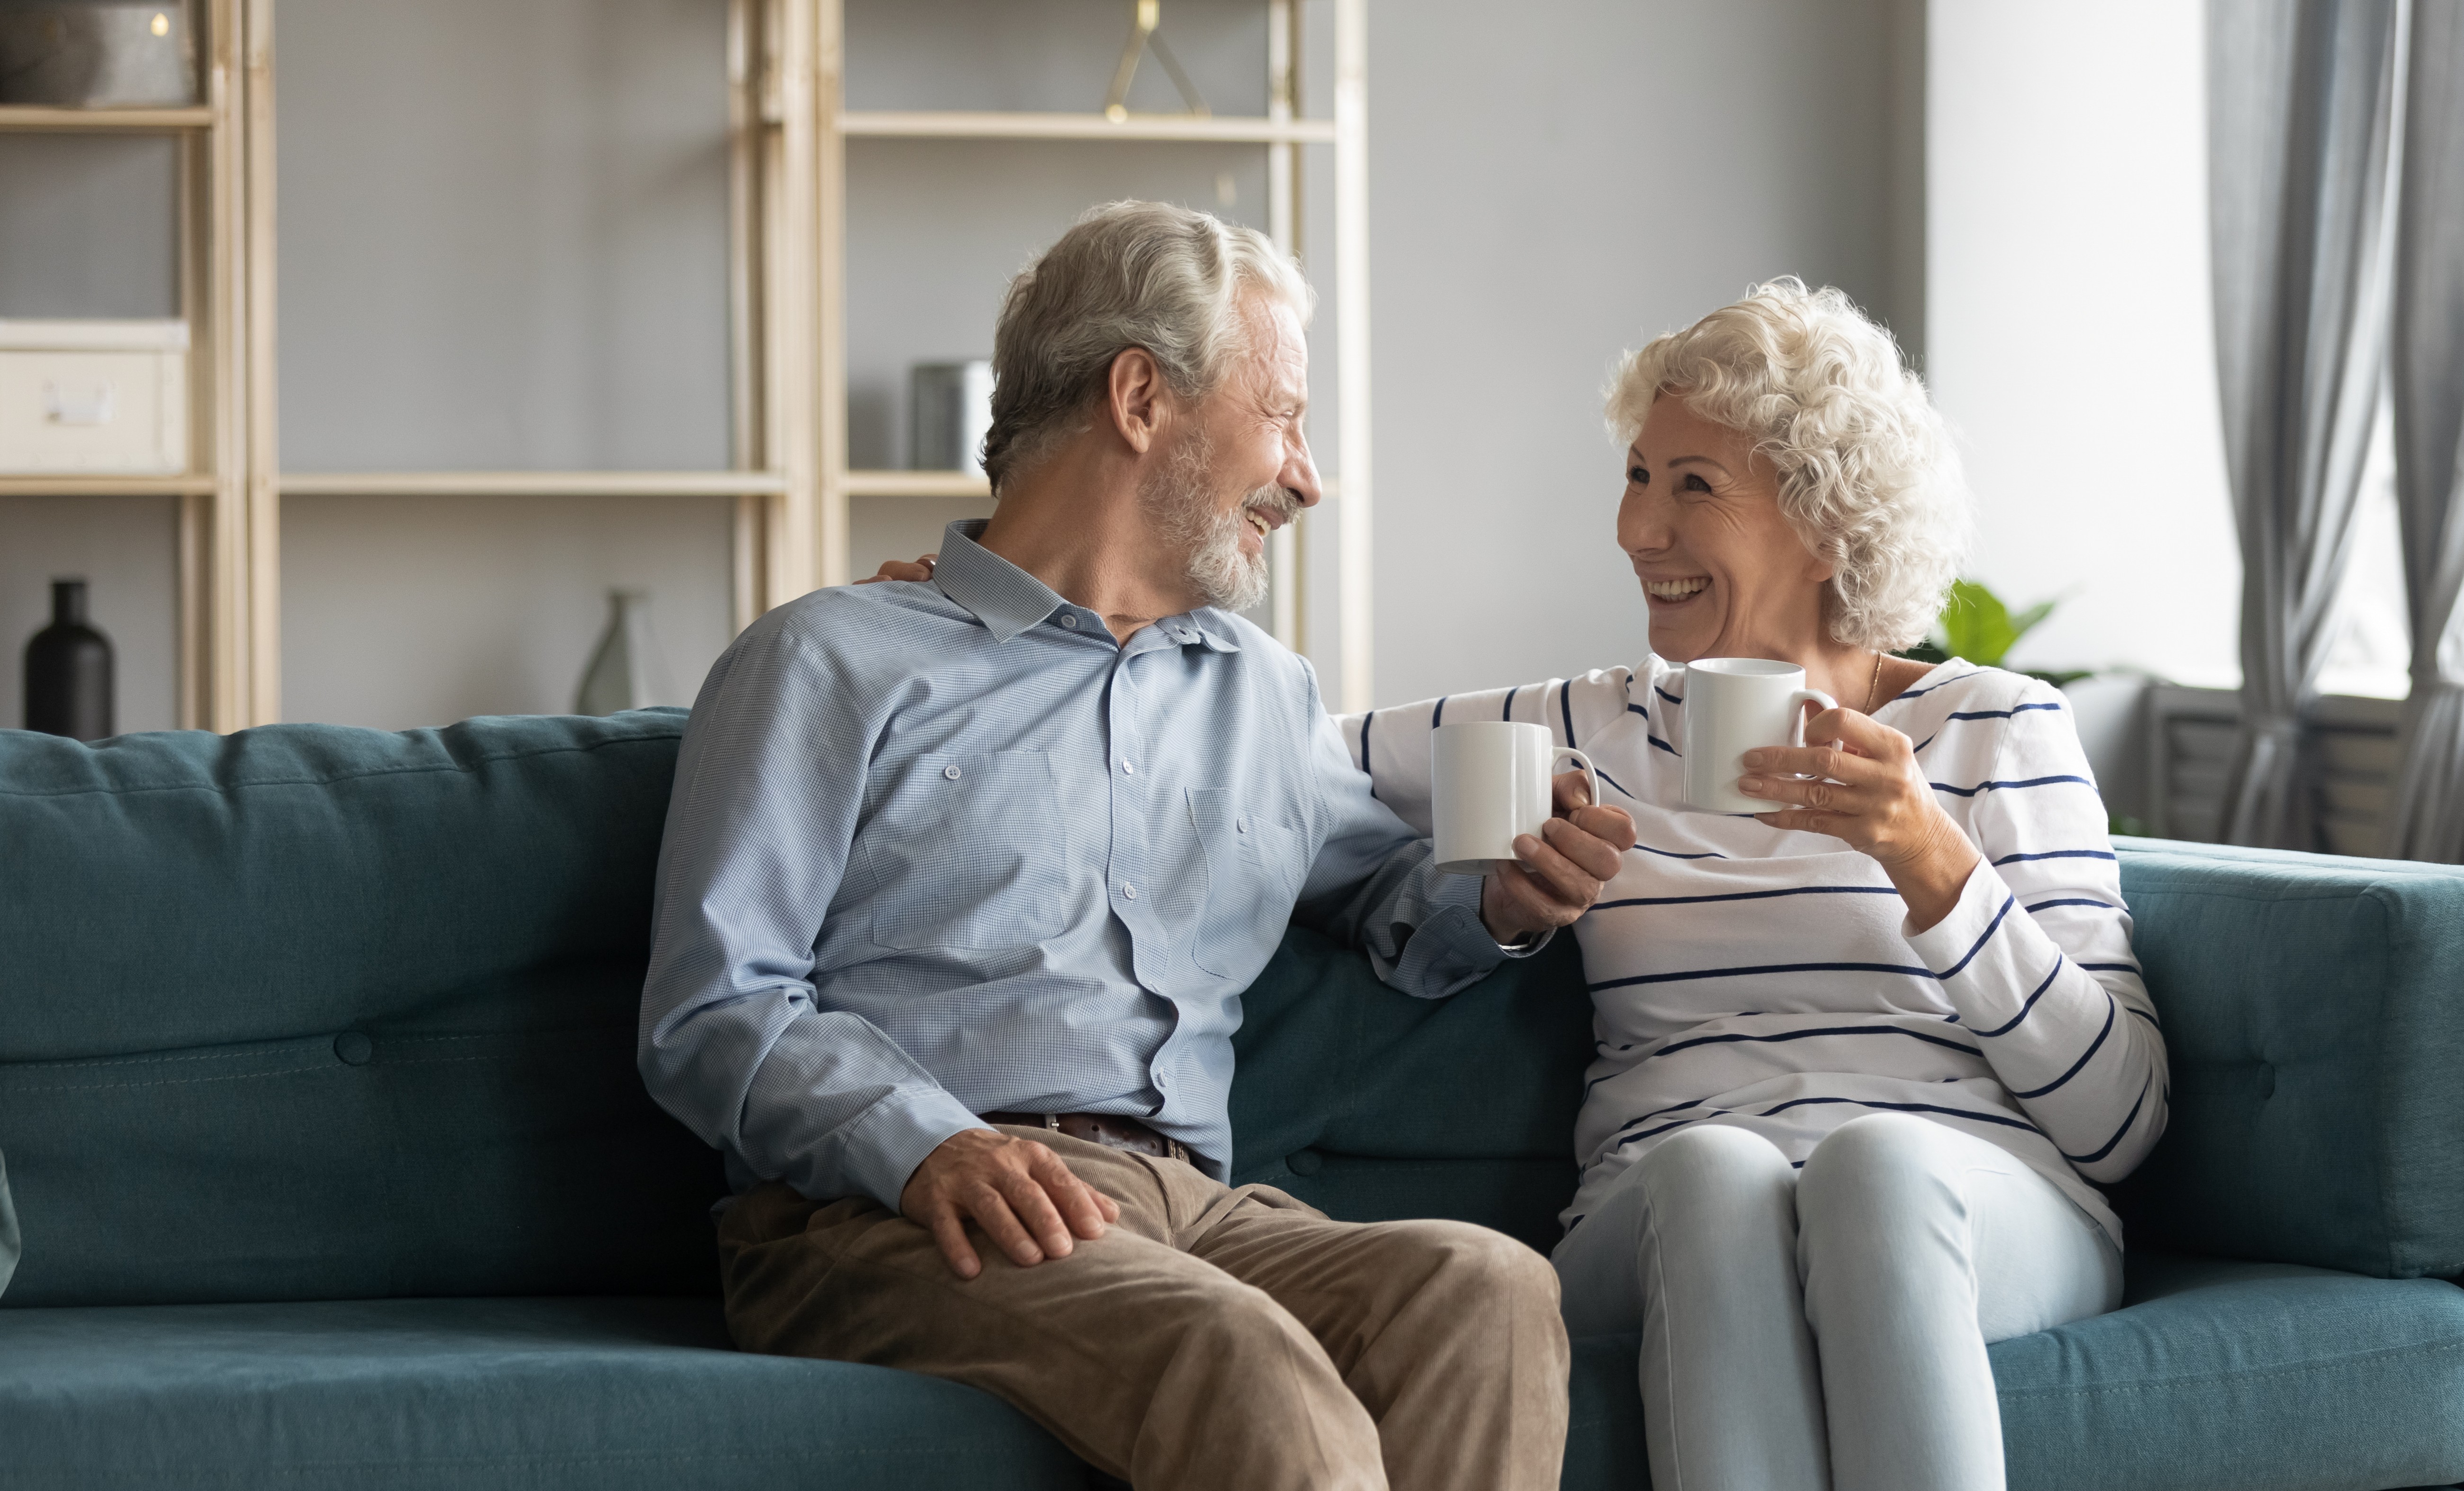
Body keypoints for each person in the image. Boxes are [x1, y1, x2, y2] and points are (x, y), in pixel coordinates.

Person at [641, 200, 1633, 1491]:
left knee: (1483, 1288)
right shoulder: (832, 659)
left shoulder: (1264, 695)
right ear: (1139, 398)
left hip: (1185, 1210)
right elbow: (714, 1006)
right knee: (1246, 1364)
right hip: (886, 1212)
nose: (1308, 476)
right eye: (1283, 417)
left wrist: (1501, 896)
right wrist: (923, 1140)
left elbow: (1395, 906)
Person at [1341, 281, 2166, 1491]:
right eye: (1637, 475)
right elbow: (1274, 748)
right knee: (1715, 1168)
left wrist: (1933, 863)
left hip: (1974, 1199)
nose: (1638, 530)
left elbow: (2120, 1124)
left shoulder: (1995, 727)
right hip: (1663, 1199)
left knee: (1877, 1168)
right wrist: (998, 611)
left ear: (1830, 524)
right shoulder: (1579, 728)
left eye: (1693, 487)